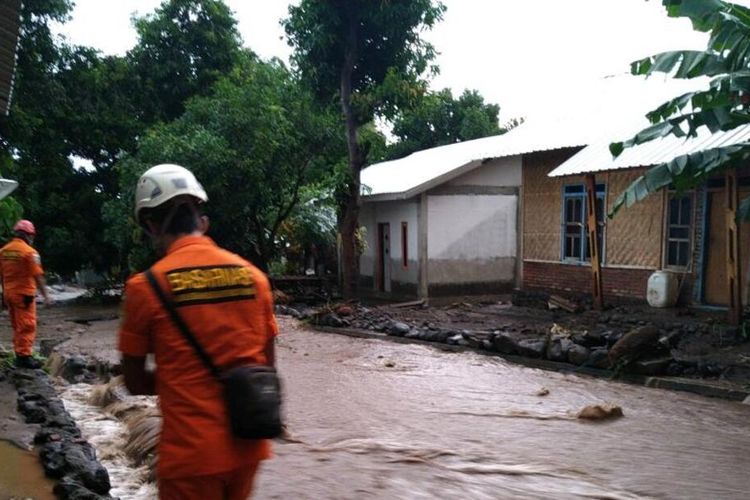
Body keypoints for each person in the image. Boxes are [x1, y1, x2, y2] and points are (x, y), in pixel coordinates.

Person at [118, 164, 278, 500]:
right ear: (200, 220)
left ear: (151, 224)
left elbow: (133, 381)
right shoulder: (254, 278)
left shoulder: (145, 287)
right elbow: (267, 366)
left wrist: (180, 377)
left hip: (190, 455)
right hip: (249, 446)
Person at [0, 219, 52, 369]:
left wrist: (2, 295)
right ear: (29, 236)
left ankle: (19, 354)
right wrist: (46, 296)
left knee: (17, 325)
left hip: (9, 293)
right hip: (24, 295)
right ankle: (24, 357)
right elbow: (38, 276)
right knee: (27, 325)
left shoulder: (4, 251)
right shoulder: (30, 252)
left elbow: (1, 275)